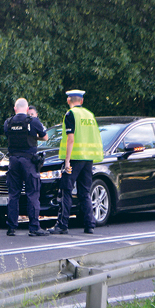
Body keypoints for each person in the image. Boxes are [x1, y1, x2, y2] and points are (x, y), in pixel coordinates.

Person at [49, 90, 103, 235]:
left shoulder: (70, 114)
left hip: (74, 159)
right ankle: (89, 225)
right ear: (82, 101)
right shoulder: (90, 115)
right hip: (87, 159)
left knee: (66, 190)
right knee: (84, 192)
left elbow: (71, 139)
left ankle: (62, 225)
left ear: (68, 100)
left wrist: (67, 161)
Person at [4, 98, 49, 237]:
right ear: (27, 108)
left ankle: (11, 227)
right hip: (28, 162)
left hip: (13, 161)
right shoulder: (33, 121)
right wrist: (34, 137)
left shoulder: (8, 122)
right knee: (32, 194)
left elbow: (8, 135)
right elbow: (45, 137)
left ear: (15, 108)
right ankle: (34, 227)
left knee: (13, 194)